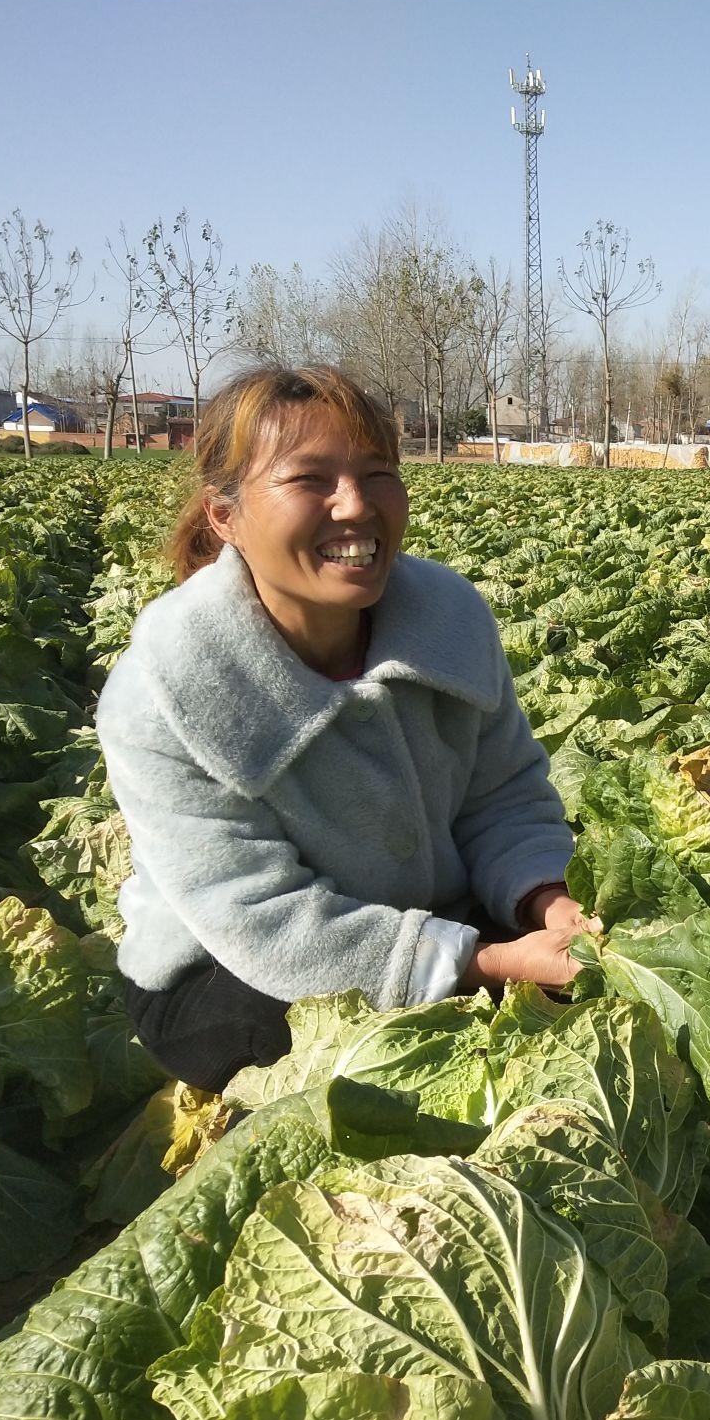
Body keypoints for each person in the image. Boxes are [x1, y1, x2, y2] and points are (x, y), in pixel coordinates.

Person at [99, 365, 589, 1093]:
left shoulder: (450, 621)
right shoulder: (163, 689)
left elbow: (504, 798)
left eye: (378, 472)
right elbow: (259, 916)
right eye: (310, 479)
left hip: (434, 919)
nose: (356, 506)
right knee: (324, 1044)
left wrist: (549, 900)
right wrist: (488, 964)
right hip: (235, 968)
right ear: (224, 516)